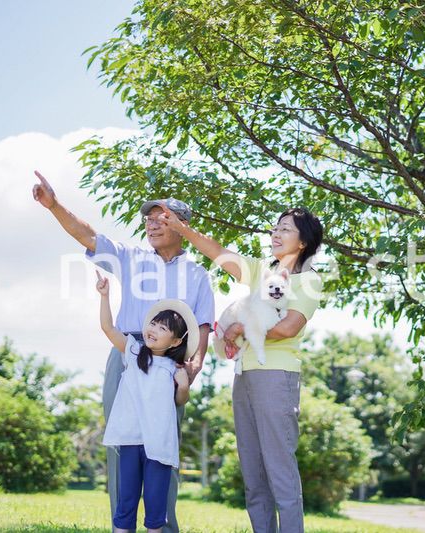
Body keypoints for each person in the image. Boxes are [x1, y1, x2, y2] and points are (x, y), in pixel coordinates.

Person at [31, 170, 214, 533]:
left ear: (182, 225)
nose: (152, 224)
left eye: (162, 218)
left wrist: (193, 366)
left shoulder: (197, 274)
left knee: (163, 447)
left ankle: (162, 525)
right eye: (148, 219)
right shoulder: (131, 257)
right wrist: (54, 206)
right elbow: (88, 235)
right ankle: (122, 525)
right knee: (122, 445)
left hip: (169, 364)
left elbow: (204, 326)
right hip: (127, 352)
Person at [159, 205, 324, 533]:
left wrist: (238, 330)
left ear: (303, 242)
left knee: (280, 471)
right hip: (244, 375)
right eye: (275, 228)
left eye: (286, 229)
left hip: (276, 377)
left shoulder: (308, 280)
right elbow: (219, 253)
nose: (276, 234)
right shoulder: (264, 271)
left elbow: (289, 327)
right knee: (253, 473)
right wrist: (182, 228)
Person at [96, 269, 196, 533]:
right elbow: (108, 328)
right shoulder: (133, 351)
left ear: (175, 341)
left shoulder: (173, 368)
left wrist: (184, 385)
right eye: (153, 323)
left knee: (155, 504)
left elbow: (178, 400)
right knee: (126, 500)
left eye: (163, 328)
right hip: (131, 439)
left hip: (159, 445)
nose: (154, 329)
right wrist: (105, 296)